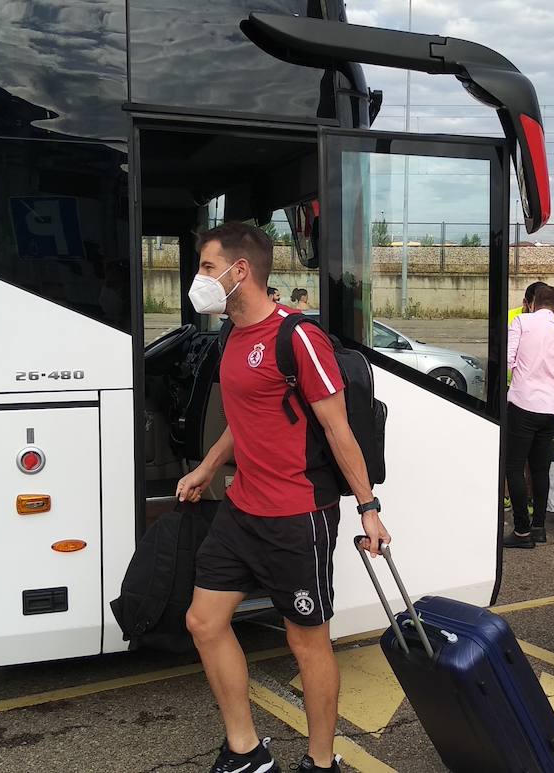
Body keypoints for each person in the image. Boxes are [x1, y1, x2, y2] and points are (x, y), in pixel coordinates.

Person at [178, 222, 388, 773]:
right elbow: (245, 418)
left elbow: (340, 431)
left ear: (238, 271)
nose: (198, 278)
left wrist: (368, 509)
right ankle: (246, 750)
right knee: (204, 621)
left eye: (206, 266)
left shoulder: (297, 338)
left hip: (298, 516)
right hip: (243, 509)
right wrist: (207, 467)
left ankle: (321, 762)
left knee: (307, 644)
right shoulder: (230, 334)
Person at [504, 284, 554, 549]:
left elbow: (508, 361)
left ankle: (521, 531)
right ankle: (539, 527)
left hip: (523, 403)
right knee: (540, 468)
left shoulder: (522, 322)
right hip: (551, 410)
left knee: (514, 467)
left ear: (532, 303)